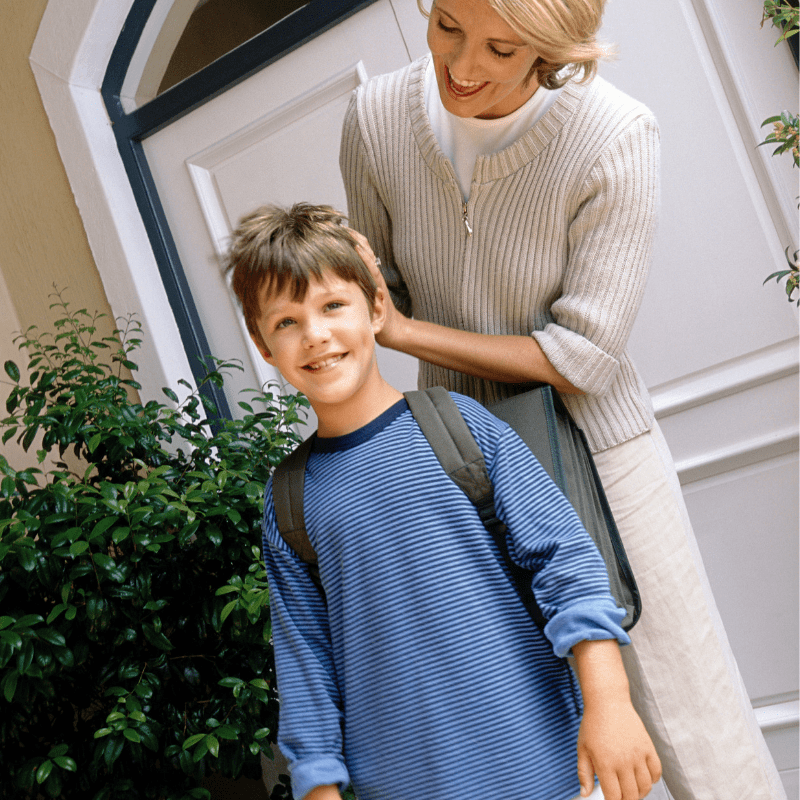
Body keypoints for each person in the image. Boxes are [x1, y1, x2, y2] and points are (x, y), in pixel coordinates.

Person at [338, 1, 787, 799]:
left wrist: (407, 335)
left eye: (500, 49)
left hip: (600, 455)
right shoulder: (375, 120)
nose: (461, 66)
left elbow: (582, 357)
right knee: (526, 716)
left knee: (689, 717)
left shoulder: (614, 134)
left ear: (554, 51)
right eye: (447, 26)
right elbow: (379, 293)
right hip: (461, 463)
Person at [225, 202, 662, 800]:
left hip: (547, 769)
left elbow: (567, 566)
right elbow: (306, 659)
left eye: (332, 306)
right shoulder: (290, 500)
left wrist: (609, 704)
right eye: (286, 322)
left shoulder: (460, 427)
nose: (316, 335)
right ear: (263, 345)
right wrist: (318, 787)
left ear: (375, 307)